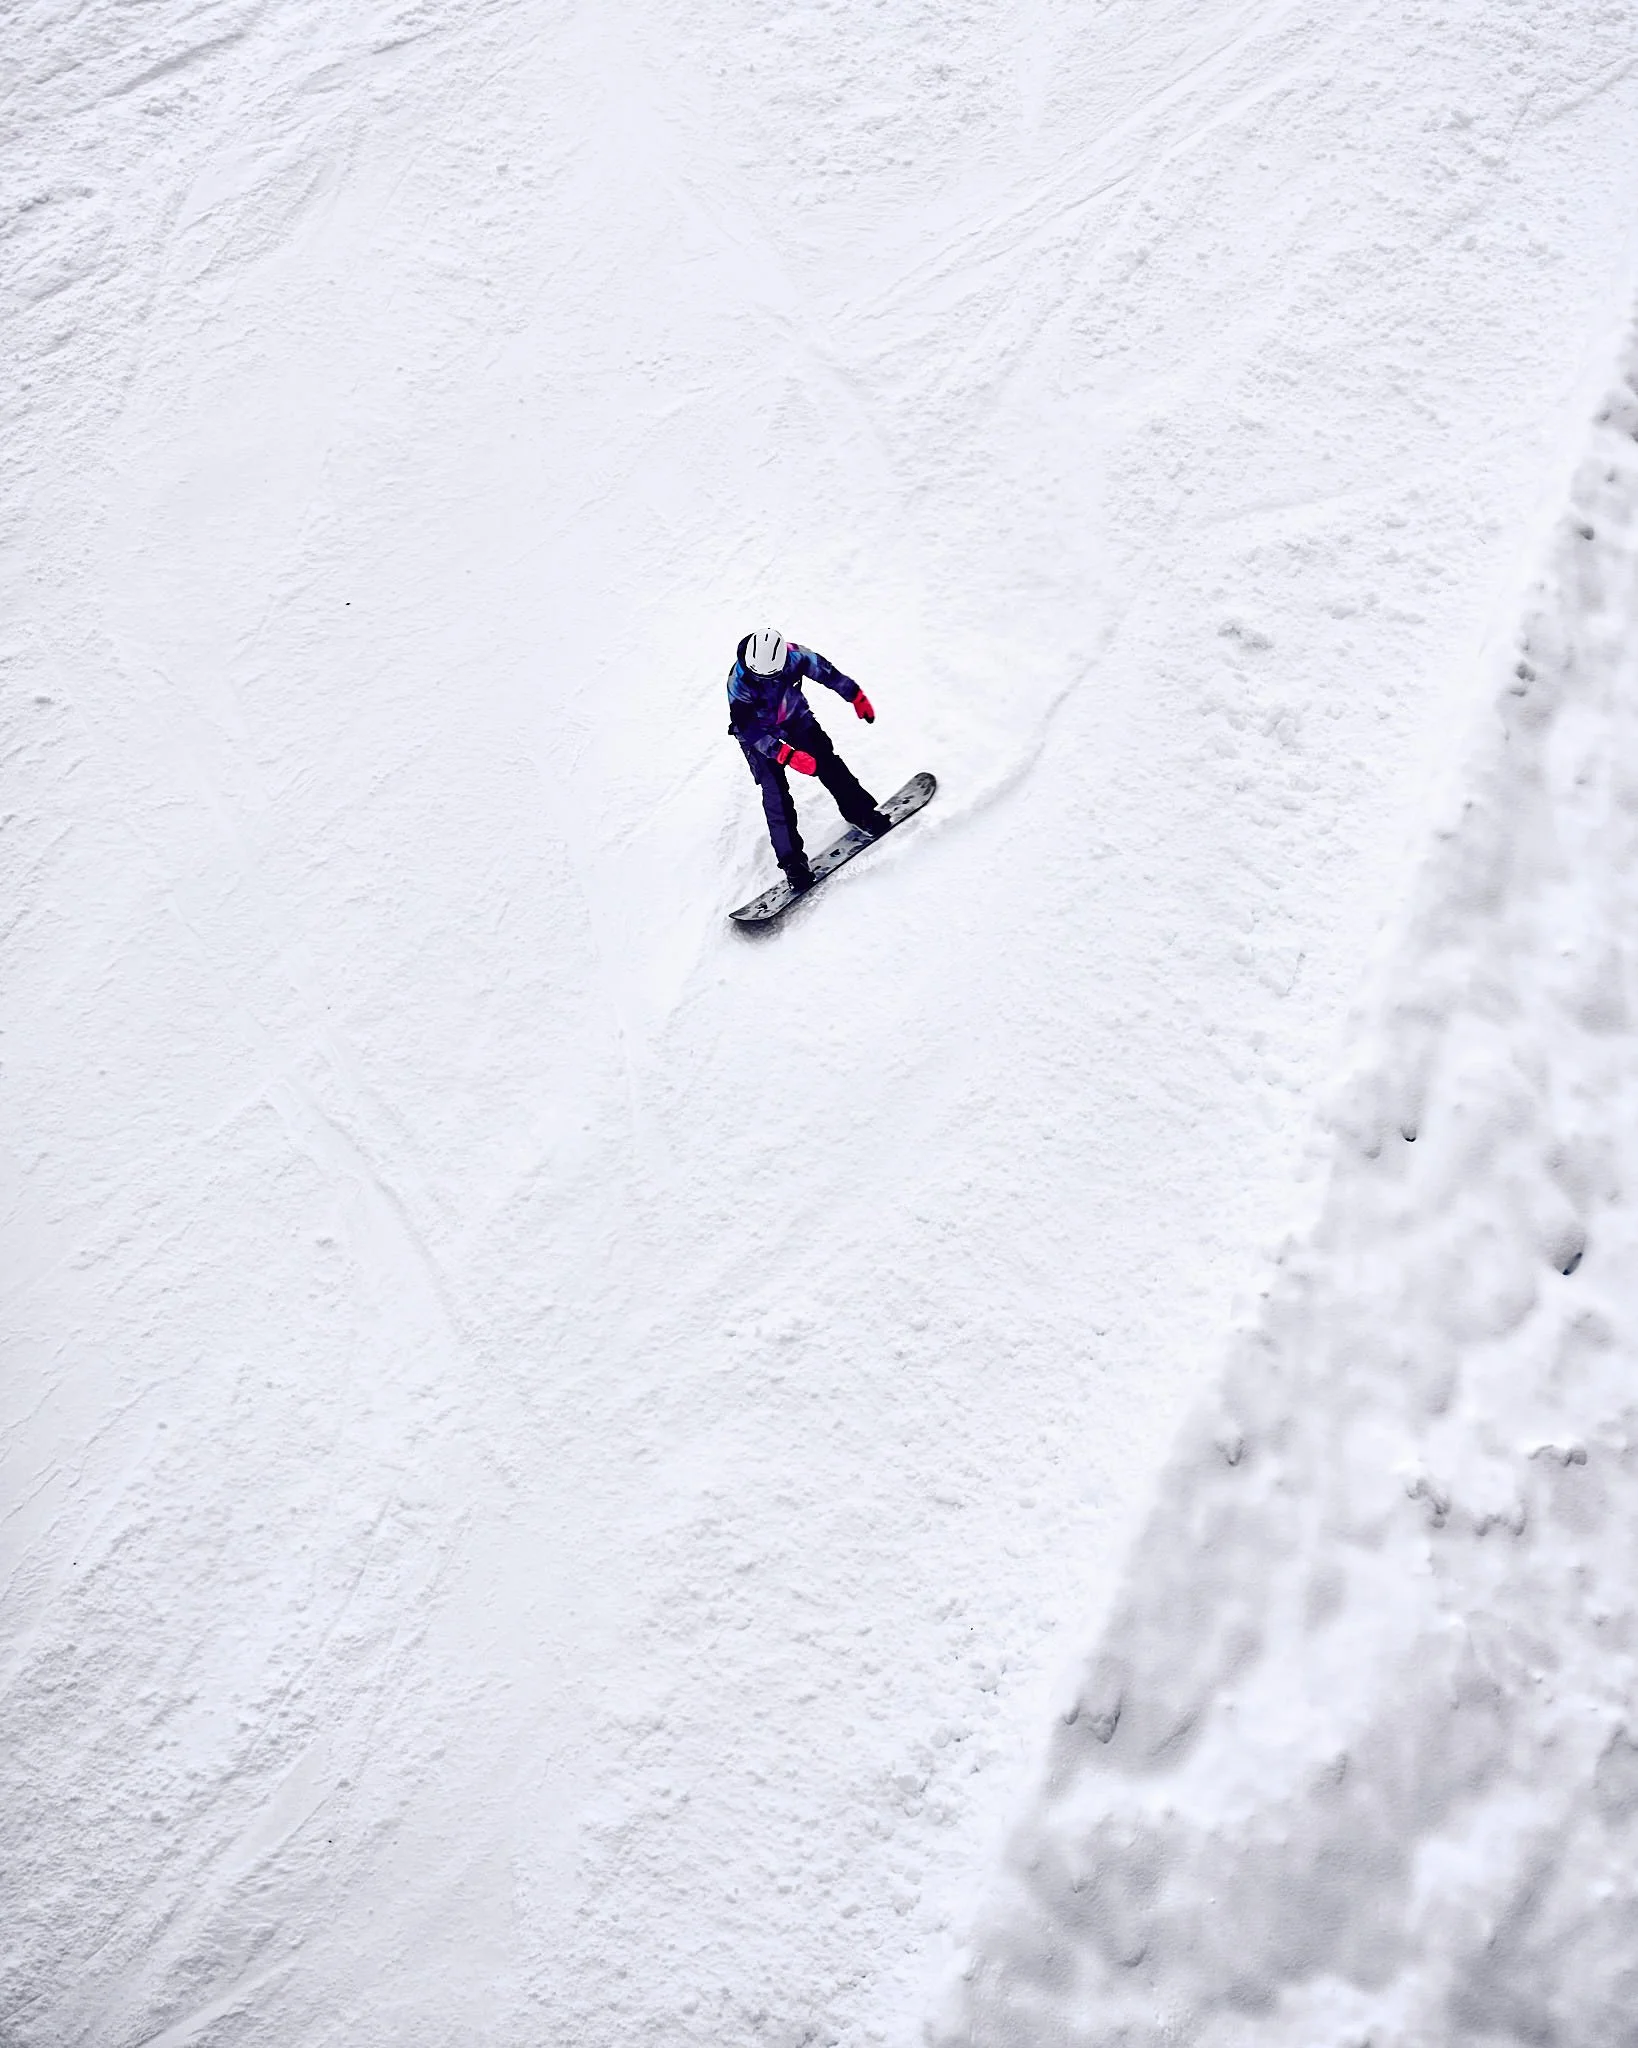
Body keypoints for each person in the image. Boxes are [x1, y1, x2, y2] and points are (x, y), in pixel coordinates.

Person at [727, 628, 891, 892]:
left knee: (829, 764)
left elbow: (829, 674)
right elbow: (749, 728)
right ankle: (793, 863)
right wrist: (785, 754)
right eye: (760, 674)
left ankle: (861, 814)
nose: (763, 679)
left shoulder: (797, 657)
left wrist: (855, 695)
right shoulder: (739, 682)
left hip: (795, 719)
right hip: (759, 737)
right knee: (775, 793)